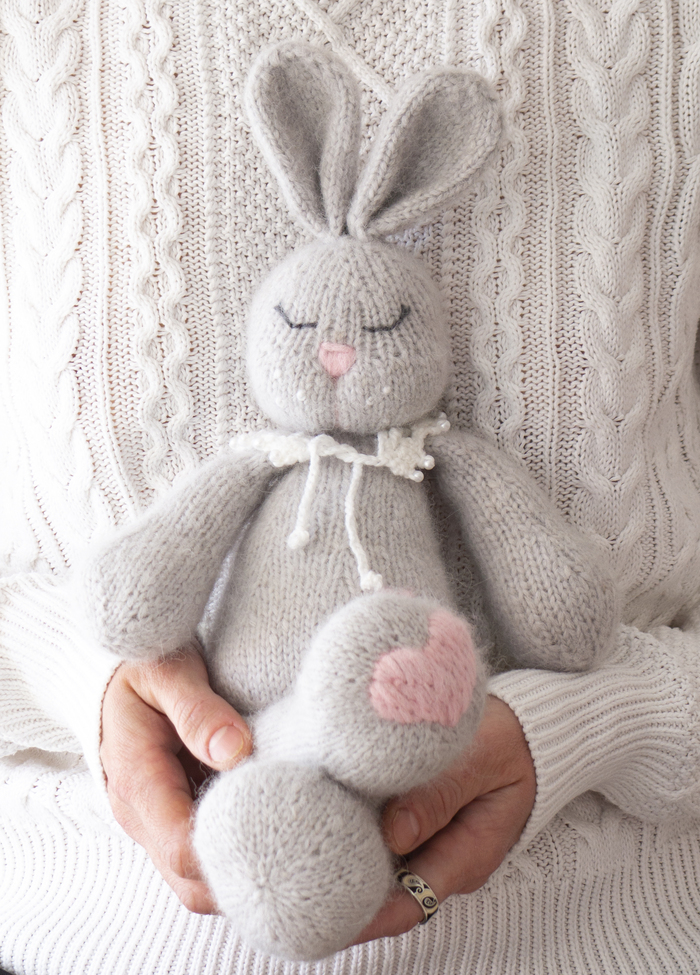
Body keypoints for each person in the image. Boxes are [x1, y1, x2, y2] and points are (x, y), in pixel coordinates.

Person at [1, 1, 700, 972]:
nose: (335, 352)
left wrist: (589, 723)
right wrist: (91, 674)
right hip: (90, 932)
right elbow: (112, 591)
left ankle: (376, 706)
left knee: (371, 693)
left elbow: (563, 607)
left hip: (609, 938)